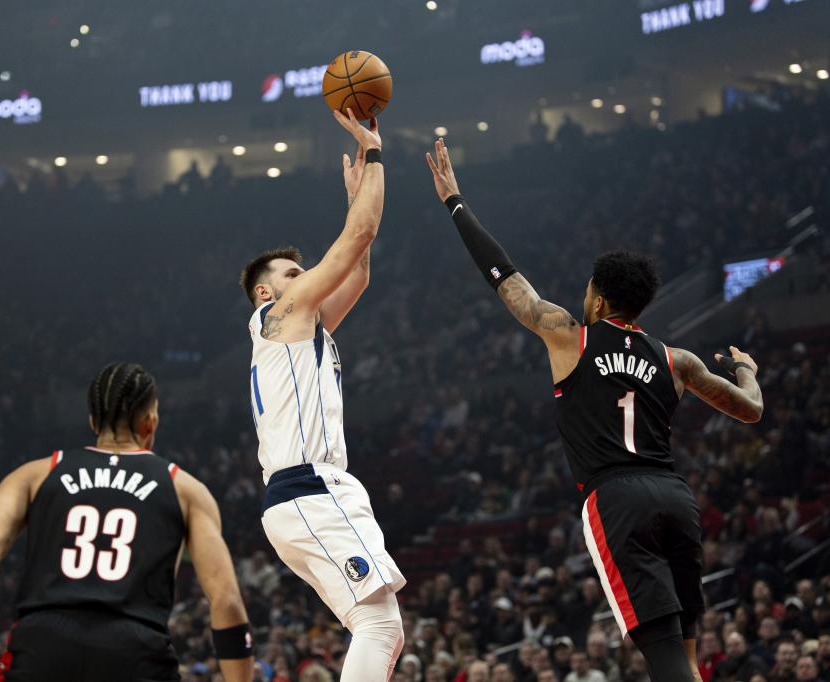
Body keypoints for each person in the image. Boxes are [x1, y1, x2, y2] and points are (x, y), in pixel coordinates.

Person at [425, 137, 764, 682]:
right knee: (689, 657)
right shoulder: (678, 361)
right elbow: (749, 409)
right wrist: (746, 369)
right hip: (676, 498)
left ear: (600, 301)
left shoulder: (569, 337)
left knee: (666, 659)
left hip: (617, 499)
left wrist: (455, 203)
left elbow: (504, 278)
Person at [0, 363, 253, 682]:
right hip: (135, 648)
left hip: (44, 644)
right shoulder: (185, 489)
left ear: (93, 422)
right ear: (150, 423)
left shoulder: (35, 474)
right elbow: (226, 600)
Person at [239, 109, 405, 682]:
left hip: (307, 495)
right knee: (380, 627)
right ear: (266, 290)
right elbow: (357, 237)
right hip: (310, 489)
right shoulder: (277, 314)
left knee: (381, 626)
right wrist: (375, 152)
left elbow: (357, 272)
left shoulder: (304, 327)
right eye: (292, 272)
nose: (303, 276)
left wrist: (358, 199)